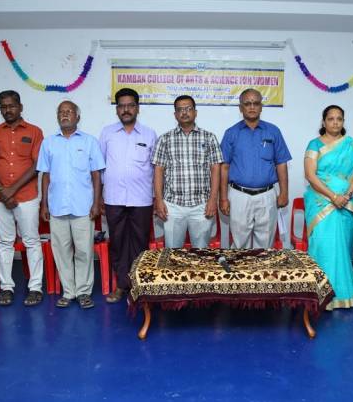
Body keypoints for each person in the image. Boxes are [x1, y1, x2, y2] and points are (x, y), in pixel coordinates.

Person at [37, 101, 105, 309]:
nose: (65, 115)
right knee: (61, 252)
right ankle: (68, 292)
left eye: (69, 112)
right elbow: (45, 175)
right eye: (61, 112)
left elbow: (96, 174)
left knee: (84, 251)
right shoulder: (48, 143)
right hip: (57, 207)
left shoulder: (90, 141)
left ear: (78, 117)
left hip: (83, 207)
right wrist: (44, 204)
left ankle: (83, 292)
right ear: (57, 116)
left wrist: (96, 203)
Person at [0, 90, 45, 306]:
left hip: (26, 196)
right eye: (3, 106)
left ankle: (35, 287)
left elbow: (37, 165)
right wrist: (2, 191)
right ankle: (6, 287)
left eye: (11, 106)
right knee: (5, 241)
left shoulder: (35, 132)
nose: (7, 110)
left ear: (20, 107)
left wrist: (12, 190)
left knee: (31, 241)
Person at [303, 105, 353, 310]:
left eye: (339, 119)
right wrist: (333, 196)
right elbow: (310, 175)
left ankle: (342, 295)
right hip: (321, 203)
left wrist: (346, 196)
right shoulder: (314, 144)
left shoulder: (351, 145)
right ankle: (319, 295)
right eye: (331, 119)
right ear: (324, 122)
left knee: (343, 249)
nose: (335, 122)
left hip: (346, 203)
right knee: (323, 246)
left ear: (343, 121)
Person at [99, 88, 157, 304]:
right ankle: (122, 286)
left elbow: (155, 168)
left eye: (130, 105)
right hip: (113, 198)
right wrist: (101, 196)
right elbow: (100, 167)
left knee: (140, 243)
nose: (126, 109)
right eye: (122, 106)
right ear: (117, 110)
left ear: (137, 108)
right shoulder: (107, 133)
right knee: (118, 242)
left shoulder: (150, 134)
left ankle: (140, 284)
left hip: (141, 198)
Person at [219, 89, 292, 248]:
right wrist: (223, 198)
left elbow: (281, 163)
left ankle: (262, 266)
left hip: (267, 196)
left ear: (261, 106)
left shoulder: (273, 131)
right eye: (247, 103)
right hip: (239, 196)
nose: (252, 107)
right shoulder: (231, 133)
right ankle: (241, 266)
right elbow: (224, 167)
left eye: (256, 103)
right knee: (240, 244)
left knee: (265, 244)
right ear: (240, 107)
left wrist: (284, 193)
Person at [152, 95, 224, 249]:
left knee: (201, 252)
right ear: (175, 114)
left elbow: (215, 169)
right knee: (173, 252)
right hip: (173, 205)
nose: (184, 112)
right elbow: (158, 170)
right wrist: (159, 200)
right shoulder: (165, 139)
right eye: (180, 109)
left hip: (201, 205)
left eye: (188, 108)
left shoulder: (209, 138)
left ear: (195, 112)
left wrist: (213, 200)